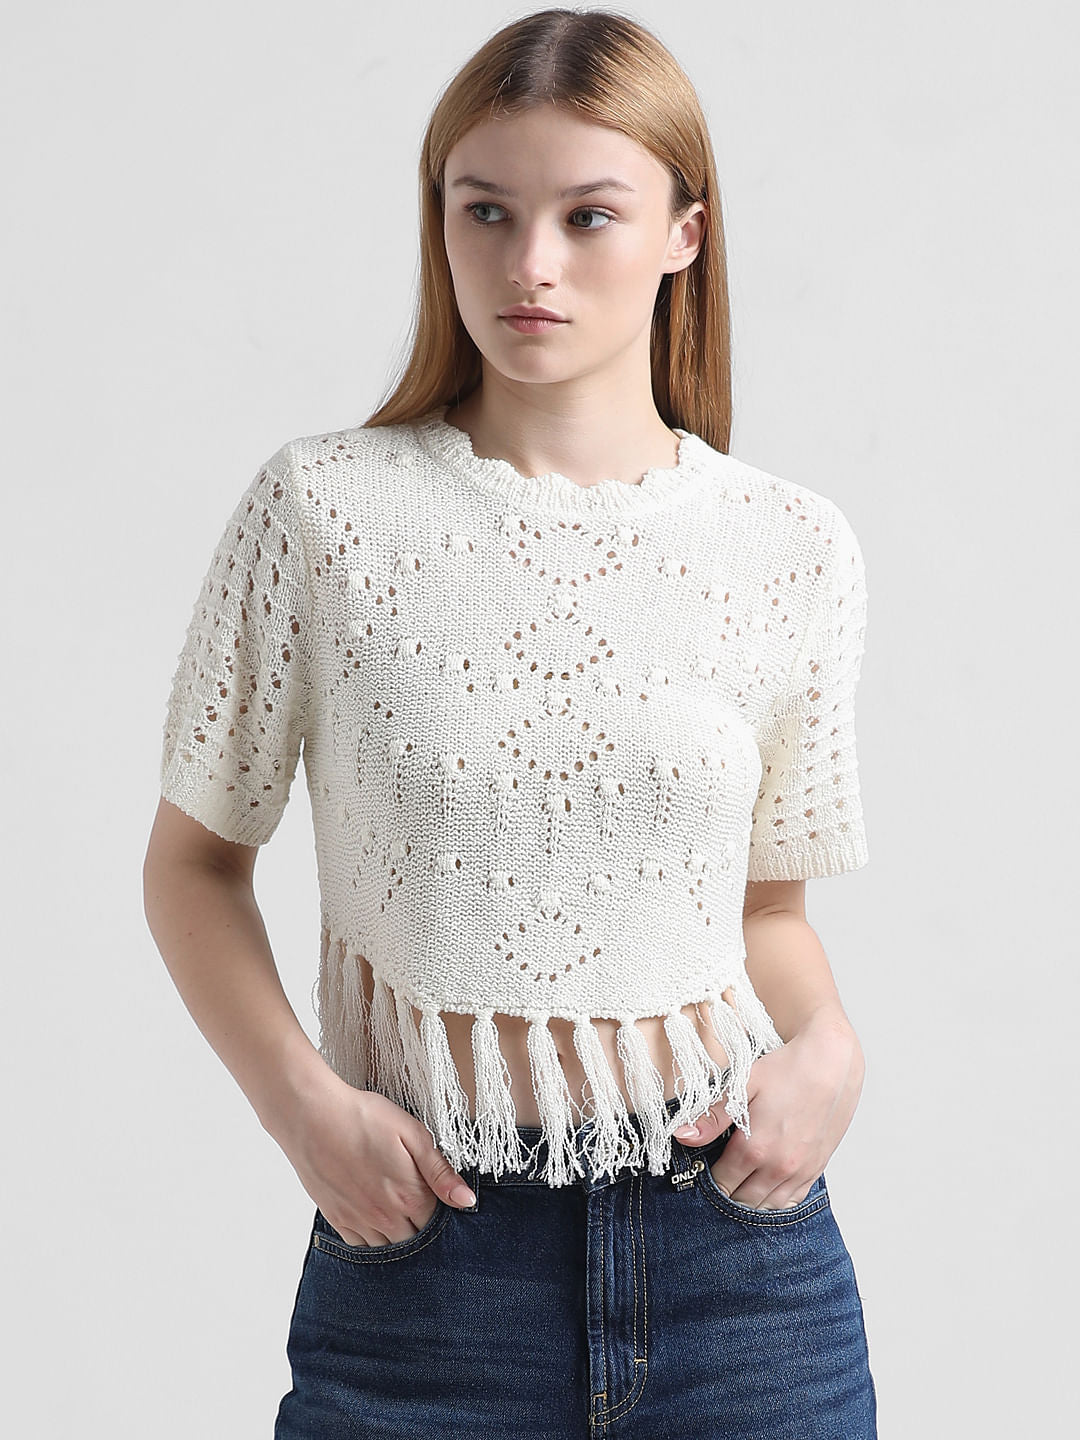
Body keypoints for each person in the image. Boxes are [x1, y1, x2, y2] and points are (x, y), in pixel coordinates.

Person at [143, 8, 879, 1437]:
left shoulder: (791, 548)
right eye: (486, 210)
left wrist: (833, 1051)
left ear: (683, 234)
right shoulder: (325, 514)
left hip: (742, 1276)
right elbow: (192, 865)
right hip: (429, 1272)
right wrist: (302, 1110)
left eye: (588, 216)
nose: (530, 263)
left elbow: (765, 913)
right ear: (442, 223)